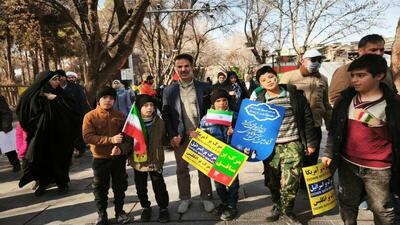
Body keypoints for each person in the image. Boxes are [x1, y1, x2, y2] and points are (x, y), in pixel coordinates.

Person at [321, 54, 398, 225]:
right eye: (353, 75)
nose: (354, 80)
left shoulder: (393, 104)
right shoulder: (345, 100)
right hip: (347, 163)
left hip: (378, 167)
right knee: (347, 202)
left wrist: (378, 125)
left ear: (379, 76)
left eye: (361, 75)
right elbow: (334, 130)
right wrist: (328, 152)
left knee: (381, 208)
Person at [250, 66, 317, 224]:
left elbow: (307, 119)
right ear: (260, 83)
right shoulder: (260, 100)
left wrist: (311, 142)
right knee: (272, 180)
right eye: (264, 80)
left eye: (271, 77)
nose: (269, 81)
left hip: (293, 143)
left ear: (277, 77)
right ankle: (277, 206)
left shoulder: (294, 95)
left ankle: (288, 211)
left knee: (291, 181)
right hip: (270, 147)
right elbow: (252, 124)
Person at [162, 53, 214, 214]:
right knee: (181, 169)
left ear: (192, 67)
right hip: (180, 138)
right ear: (175, 69)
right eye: (180, 67)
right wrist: (172, 135)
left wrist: (206, 131)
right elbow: (166, 114)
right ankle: (185, 198)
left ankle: (206, 197)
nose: (183, 69)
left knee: (203, 169)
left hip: (201, 135)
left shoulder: (205, 88)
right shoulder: (169, 91)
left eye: (186, 66)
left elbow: (213, 111)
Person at [17, 71, 82, 196]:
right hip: (41, 135)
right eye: (55, 79)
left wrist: (57, 99)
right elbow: (24, 112)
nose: (58, 82)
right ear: (46, 81)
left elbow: (72, 108)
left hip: (60, 135)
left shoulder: (60, 94)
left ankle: (62, 183)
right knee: (42, 158)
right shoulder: (33, 95)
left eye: (58, 79)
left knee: (60, 158)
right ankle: (43, 182)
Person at [280, 49, 332, 187]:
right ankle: (290, 186)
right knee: (294, 159)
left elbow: (326, 104)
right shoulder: (289, 77)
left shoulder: (323, 80)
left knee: (311, 160)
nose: (317, 63)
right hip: (294, 126)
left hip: (315, 125)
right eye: (313, 60)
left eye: (319, 60)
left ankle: (306, 187)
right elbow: (278, 100)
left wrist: (330, 124)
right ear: (302, 60)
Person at [82, 86, 132, 225]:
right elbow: (88, 137)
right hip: (100, 159)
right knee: (100, 189)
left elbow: (128, 138)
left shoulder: (121, 115)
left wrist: (121, 150)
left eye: (111, 98)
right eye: (105, 98)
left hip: (118, 159)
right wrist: (110, 140)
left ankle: (119, 212)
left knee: (120, 187)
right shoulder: (90, 116)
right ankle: (102, 215)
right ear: (99, 100)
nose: (108, 101)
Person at [191, 88, 239, 221]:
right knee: (218, 183)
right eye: (218, 101)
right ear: (213, 103)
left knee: (233, 182)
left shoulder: (235, 116)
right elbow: (202, 136)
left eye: (224, 100)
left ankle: (232, 205)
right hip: (215, 155)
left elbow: (244, 136)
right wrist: (195, 135)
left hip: (231, 154)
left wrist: (234, 132)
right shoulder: (206, 119)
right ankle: (224, 202)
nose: (222, 103)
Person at [130, 94, 170, 223]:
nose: (149, 108)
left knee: (159, 185)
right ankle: (145, 207)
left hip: (155, 160)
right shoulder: (132, 123)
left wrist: (172, 141)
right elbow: (127, 141)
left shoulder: (159, 122)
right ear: (139, 107)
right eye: (146, 105)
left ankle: (163, 208)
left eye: (151, 105)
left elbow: (165, 139)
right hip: (139, 161)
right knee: (141, 186)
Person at [329, 34, 396, 105]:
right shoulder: (345, 70)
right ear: (360, 51)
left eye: (381, 50)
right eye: (373, 50)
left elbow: (392, 92)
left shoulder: (386, 70)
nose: (379, 53)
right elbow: (335, 98)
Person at [0, 95, 21, 172]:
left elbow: (6, 113)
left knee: (8, 149)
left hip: (2, 129)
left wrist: (5, 125)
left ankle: (16, 164)